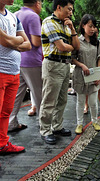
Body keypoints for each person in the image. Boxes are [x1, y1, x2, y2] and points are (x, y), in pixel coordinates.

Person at [39, 0, 80, 144]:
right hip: (52, 64)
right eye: (69, 9)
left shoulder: (67, 25)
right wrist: (71, 47)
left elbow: (77, 46)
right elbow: (62, 46)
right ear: (59, 7)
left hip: (65, 65)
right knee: (50, 99)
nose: (71, 12)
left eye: (71, 10)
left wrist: (73, 30)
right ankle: (45, 130)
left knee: (62, 99)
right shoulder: (48, 22)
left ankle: (57, 126)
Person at [0, 0, 31, 153]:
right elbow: (5, 41)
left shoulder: (13, 17)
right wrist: (17, 41)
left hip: (14, 73)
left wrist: (14, 41)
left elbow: (28, 44)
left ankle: (2, 144)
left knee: (6, 112)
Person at [8, 0, 43, 132]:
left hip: (19, 59)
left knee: (17, 94)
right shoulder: (33, 16)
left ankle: (11, 122)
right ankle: (43, 123)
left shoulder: (15, 13)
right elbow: (35, 42)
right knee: (39, 93)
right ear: (37, 3)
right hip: (32, 61)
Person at [72, 14, 100, 134]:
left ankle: (95, 121)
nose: (92, 29)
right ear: (83, 25)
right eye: (90, 26)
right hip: (80, 75)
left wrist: (98, 75)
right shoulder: (77, 41)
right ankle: (79, 124)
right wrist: (82, 65)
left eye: (94, 26)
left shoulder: (98, 42)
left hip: (93, 76)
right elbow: (72, 58)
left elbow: (99, 58)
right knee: (80, 102)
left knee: (93, 102)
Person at [84, 27, 100, 115]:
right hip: (88, 67)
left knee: (98, 89)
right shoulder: (86, 41)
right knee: (87, 88)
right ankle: (86, 106)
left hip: (97, 68)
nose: (95, 34)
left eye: (97, 32)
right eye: (94, 32)